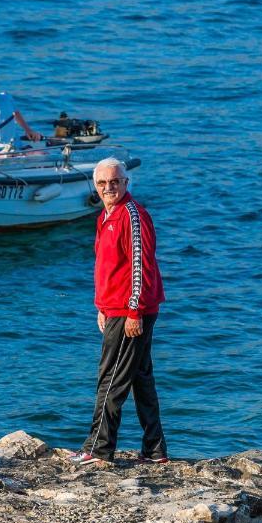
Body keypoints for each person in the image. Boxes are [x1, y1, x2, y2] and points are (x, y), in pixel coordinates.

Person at [70, 157, 168, 466]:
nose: (109, 187)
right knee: (140, 378)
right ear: (95, 187)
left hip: (130, 312)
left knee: (111, 379)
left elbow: (141, 266)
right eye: (102, 183)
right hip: (115, 309)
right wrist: (101, 307)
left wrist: (133, 312)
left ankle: (99, 449)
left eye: (115, 182)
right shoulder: (105, 216)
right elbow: (109, 267)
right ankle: (154, 451)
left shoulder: (132, 215)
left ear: (126, 183)